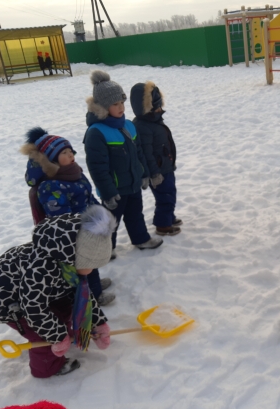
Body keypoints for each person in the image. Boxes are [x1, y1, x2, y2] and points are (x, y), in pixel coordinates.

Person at [0, 206, 115, 378]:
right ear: (75, 257)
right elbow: (33, 308)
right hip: (6, 303)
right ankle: (47, 368)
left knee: (64, 307)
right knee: (42, 333)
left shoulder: (66, 262)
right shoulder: (41, 269)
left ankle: (62, 333)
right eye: (91, 264)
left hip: (39, 293)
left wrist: (97, 322)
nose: (92, 270)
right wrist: (56, 335)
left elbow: (81, 296)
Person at [20, 127, 115, 306]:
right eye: (64, 153)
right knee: (82, 263)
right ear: (51, 159)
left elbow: (88, 195)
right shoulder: (50, 186)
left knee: (90, 259)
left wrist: (100, 211)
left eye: (71, 151)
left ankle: (95, 284)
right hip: (72, 233)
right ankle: (93, 296)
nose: (71, 155)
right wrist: (79, 228)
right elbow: (61, 217)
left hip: (87, 226)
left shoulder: (75, 172)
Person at [83, 70, 163, 258]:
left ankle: (141, 238)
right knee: (110, 221)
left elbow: (139, 153)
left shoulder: (128, 125)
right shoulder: (96, 132)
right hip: (115, 189)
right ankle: (104, 249)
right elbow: (97, 167)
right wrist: (108, 192)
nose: (121, 107)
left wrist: (144, 173)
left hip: (133, 183)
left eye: (122, 102)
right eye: (115, 104)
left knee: (136, 214)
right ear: (103, 107)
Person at [130, 80, 182, 236]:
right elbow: (146, 154)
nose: (160, 109)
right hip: (158, 171)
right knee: (165, 196)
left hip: (166, 166)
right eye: (157, 107)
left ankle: (168, 216)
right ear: (146, 108)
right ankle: (163, 225)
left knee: (170, 193)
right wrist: (154, 173)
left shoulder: (154, 121)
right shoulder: (142, 127)